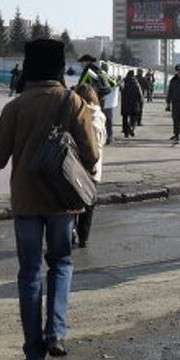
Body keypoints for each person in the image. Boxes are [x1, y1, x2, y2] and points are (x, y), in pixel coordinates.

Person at [0, 39, 99, 360]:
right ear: (59, 67)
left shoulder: (16, 106)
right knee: (61, 262)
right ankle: (55, 332)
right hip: (62, 201)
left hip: (26, 202)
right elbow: (93, 155)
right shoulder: (72, 101)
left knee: (29, 273)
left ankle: (32, 352)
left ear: (28, 67)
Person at [73, 84, 106, 248]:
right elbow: (103, 140)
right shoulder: (100, 115)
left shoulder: (76, 115)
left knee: (72, 201)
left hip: (76, 166)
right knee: (89, 203)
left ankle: (70, 233)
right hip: (94, 167)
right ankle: (83, 237)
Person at [121, 70, 143, 138]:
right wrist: (141, 102)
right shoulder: (136, 83)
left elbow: (120, 90)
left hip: (125, 103)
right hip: (134, 103)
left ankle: (125, 132)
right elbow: (140, 94)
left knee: (125, 118)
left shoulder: (124, 82)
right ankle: (131, 127)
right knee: (133, 117)